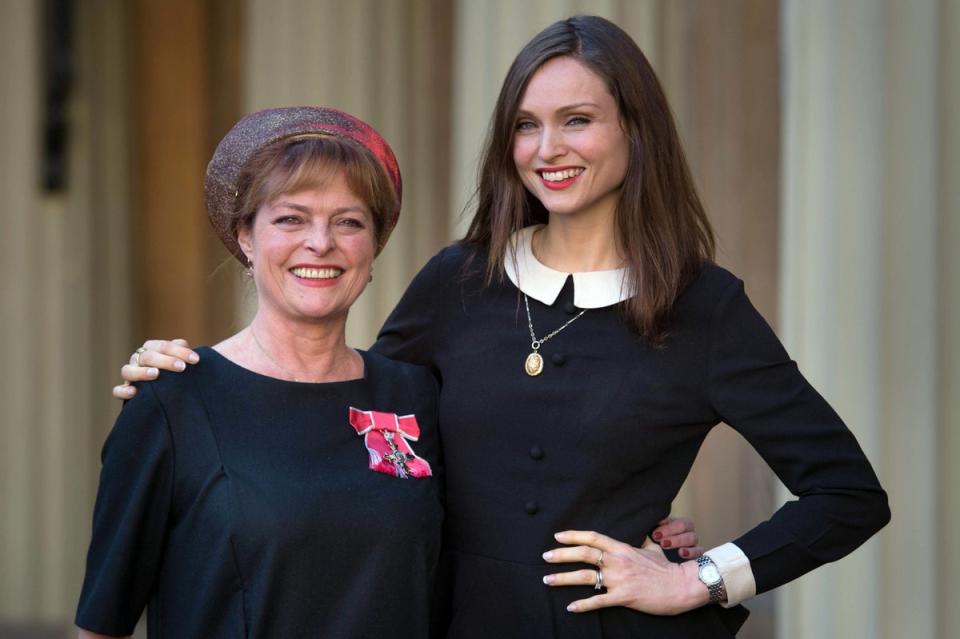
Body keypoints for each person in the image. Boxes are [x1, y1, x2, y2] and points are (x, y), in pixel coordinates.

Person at [112, 15, 889, 638]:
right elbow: (352, 427)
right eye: (526, 125)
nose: (547, 149)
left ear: (635, 131)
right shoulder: (458, 280)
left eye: (577, 120)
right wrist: (203, 375)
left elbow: (848, 493)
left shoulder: (705, 308)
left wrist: (698, 576)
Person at [76, 107, 447, 638]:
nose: (321, 242)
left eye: (348, 221)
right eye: (291, 218)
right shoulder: (172, 402)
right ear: (245, 237)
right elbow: (101, 626)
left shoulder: (415, 395)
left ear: (372, 248)